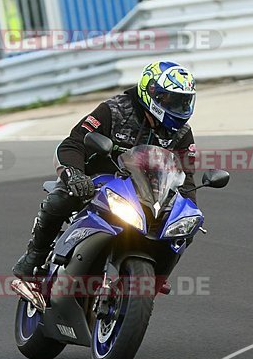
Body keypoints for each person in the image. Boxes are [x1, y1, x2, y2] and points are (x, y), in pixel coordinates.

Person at [12, 60, 199, 279]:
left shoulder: (181, 133)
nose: (179, 108)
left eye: (184, 102)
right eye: (172, 100)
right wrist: (75, 174)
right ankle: (35, 254)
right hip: (95, 181)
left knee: (183, 228)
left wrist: (188, 207)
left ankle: (155, 280)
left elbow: (185, 176)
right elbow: (72, 144)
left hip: (147, 193)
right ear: (152, 93)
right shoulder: (115, 110)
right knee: (60, 199)